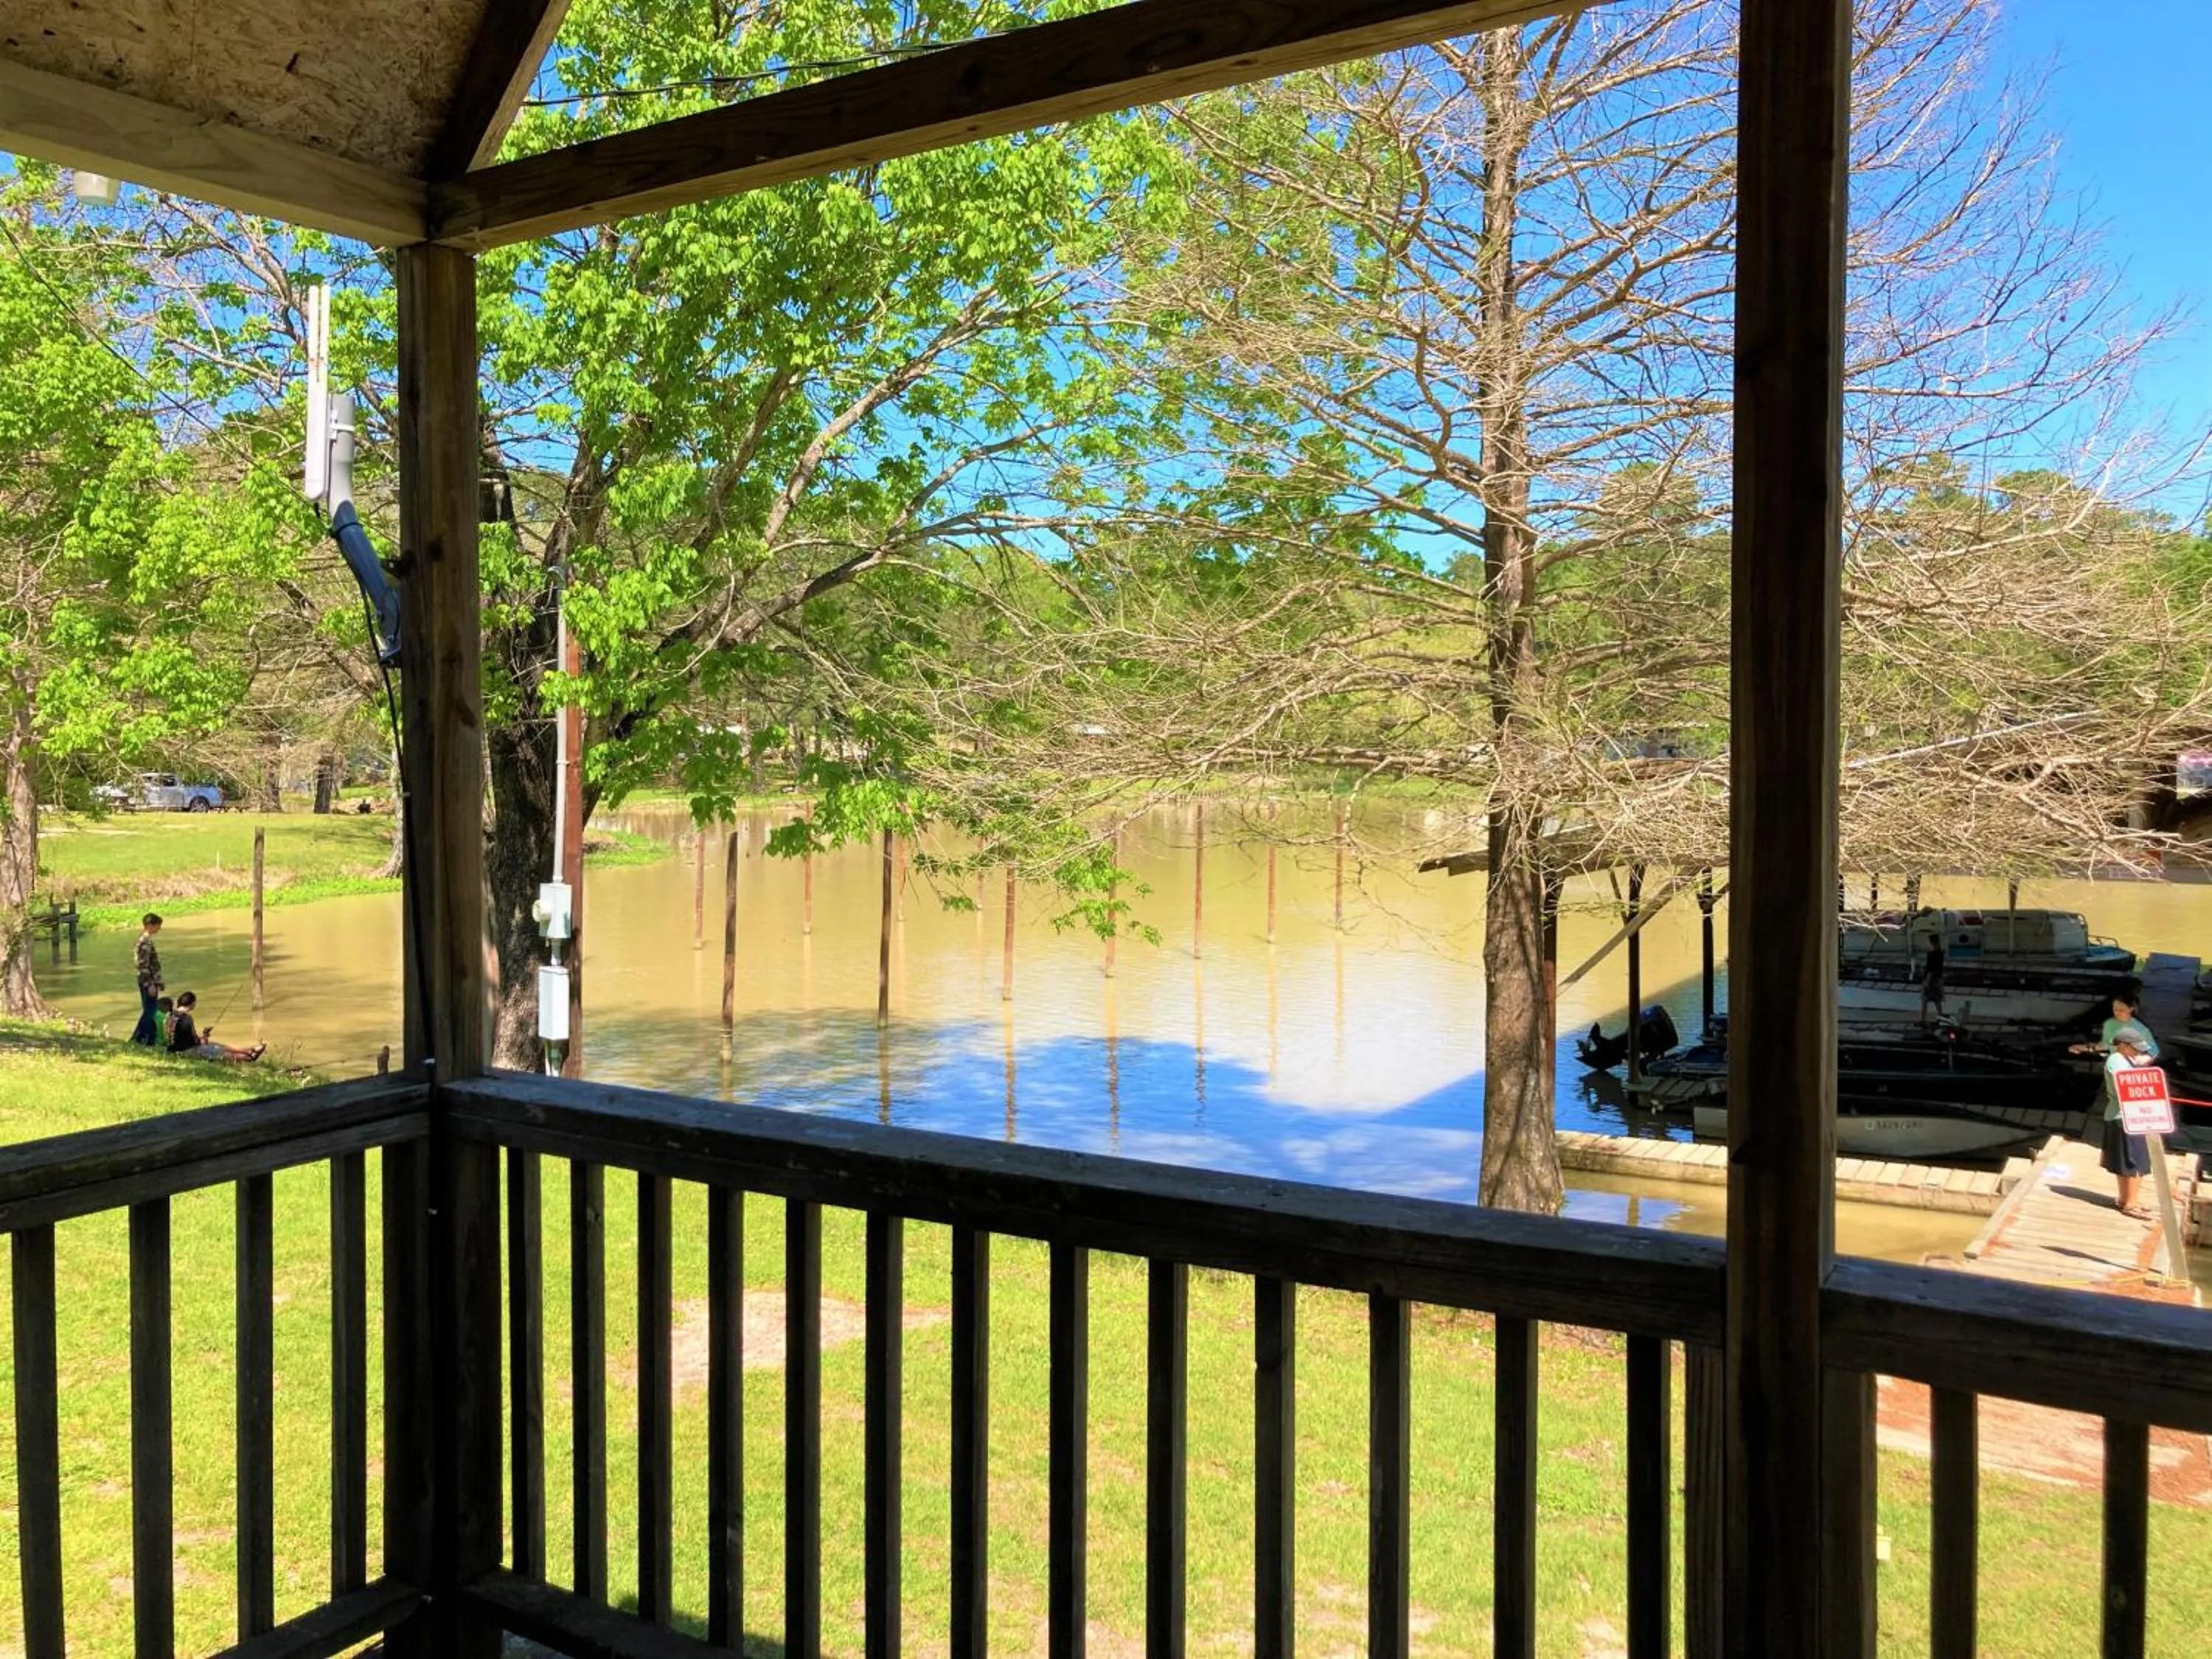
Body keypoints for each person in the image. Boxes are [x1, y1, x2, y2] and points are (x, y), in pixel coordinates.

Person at [2071, 990, 2160, 1219]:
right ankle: (2131, 1204)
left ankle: (2125, 1200)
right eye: (2135, 1047)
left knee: (2125, 1162)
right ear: (2123, 1045)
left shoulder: (2122, 1057)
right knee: (2136, 1164)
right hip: (2126, 1118)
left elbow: (2151, 1054)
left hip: (2120, 1116)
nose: (2139, 1050)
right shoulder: (2119, 1061)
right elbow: (2127, 1090)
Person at [164, 992, 265, 1063]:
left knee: (218, 1046)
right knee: (219, 1051)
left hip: (174, 1049)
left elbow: (177, 1036)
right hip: (185, 1051)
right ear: (192, 1003)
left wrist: (204, 1037)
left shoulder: (169, 1015)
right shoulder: (186, 1018)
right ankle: (247, 1057)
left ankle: (249, 1051)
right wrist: (203, 1040)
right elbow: (194, 1041)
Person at [130, 914, 164, 1046]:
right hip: (147, 982)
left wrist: (159, 981)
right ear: (150, 926)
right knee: (150, 1011)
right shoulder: (144, 942)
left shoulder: (146, 940)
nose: (159, 929)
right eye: (158, 926)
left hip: (150, 981)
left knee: (150, 1010)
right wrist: (150, 984)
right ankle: (137, 1039)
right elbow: (143, 965)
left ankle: (148, 1040)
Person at [1918, 934, 1947, 1023]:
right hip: (1938, 979)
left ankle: (1923, 1020)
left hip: (1931, 980)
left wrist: (1927, 981)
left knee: (1924, 1000)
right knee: (1937, 1001)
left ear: (1931, 943)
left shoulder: (1931, 954)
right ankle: (1941, 1018)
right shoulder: (1941, 953)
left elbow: (1931, 969)